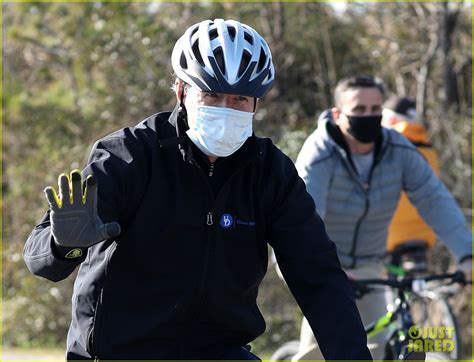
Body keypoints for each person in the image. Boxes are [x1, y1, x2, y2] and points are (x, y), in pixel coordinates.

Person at [23, 20, 372, 361]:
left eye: (239, 99)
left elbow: (319, 276)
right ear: (181, 91)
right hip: (122, 350)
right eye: (212, 95)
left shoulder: (271, 172)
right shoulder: (129, 155)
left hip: (219, 351)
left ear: (256, 104)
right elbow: (40, 260)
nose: (226, 109)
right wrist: (63, 245)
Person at [294, 75, 472, 360]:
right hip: (323, 265)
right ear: (339, 114)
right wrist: (325, 268)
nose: (369, 116)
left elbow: (433, 198)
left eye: (375, 109)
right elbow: (302, 220)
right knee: (321, 352)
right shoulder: (319, 154)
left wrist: (467, 253)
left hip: (369, 266)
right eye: (360, 110)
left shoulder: (399, 150)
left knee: (375, 350)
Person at [382, 96, 440, 272]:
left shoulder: (388, 147)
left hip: (391, 235)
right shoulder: (429, 148)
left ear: (390, 119)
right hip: (427, 233)